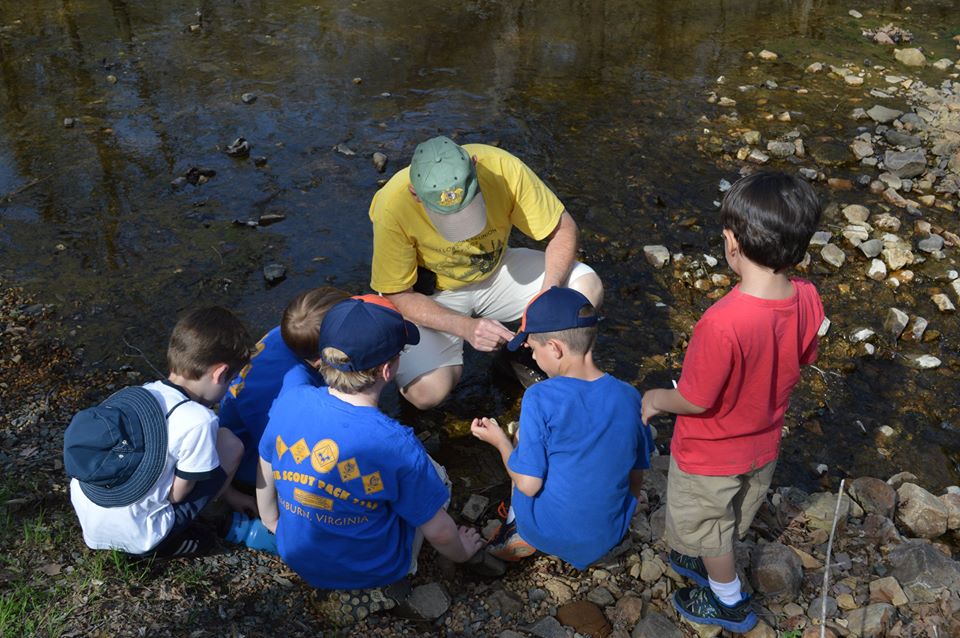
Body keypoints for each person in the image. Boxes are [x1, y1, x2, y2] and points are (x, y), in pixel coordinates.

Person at [641, 171, 824, 633]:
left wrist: (657, 398)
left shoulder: (721, 323)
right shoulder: (807, 297)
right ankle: (703, 556)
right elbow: (803, 355)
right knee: (734, 512)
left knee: (710, 526)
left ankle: (728, 600)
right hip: (761, 443)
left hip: (710, 454)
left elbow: (697, 401)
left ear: (732, 243)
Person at [256, 295, 484, 604]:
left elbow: (265, 460)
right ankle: (441, 567)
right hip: (378, 569)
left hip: (296, 555)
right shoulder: (396, 444)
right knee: (434, 477)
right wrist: (462, 551)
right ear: (388, 370)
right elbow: (441, 533)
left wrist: (271, 521)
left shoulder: (290, 399)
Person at [369, 135, 604, 409]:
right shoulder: (393, 204)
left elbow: (563, 229)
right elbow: (396, 294)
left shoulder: (502, 168)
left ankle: (518, 357)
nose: (462, 230)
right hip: (435, 295)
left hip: (498, 271)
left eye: (468, 209)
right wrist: (466, 327)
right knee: (426, 394)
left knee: (586, 288)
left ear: (475, 165)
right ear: (414, 194)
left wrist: (546, 297)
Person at [470, 287, 654, 568]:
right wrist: (627, 508)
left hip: (546, 531)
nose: (532, 358)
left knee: (520, 442)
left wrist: (500, 442)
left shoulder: (539, 397)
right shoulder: (629, 395)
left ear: (555, 348)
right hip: (607, 533)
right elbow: (636, 473)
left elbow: (528, 485)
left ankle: (517, 531)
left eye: (532, 349)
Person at [65, 307, 257, 558]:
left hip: (90, 521)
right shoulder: (200, 420)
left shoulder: (139, 394)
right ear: (220, 373)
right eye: (231, 380)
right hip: (139, 537)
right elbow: (177, 495)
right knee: (230, 445)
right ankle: (166, 543)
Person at [219, 287, 349, 486]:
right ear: (319, 361)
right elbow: (279, 450)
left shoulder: (288, 333)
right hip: (252, 463)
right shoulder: (291, 392)